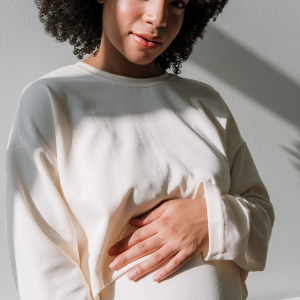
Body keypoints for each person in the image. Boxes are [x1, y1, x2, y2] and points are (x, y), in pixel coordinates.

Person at [5, 0, 275, 299]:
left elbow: (261, 214)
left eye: (176, 3)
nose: (158, 18)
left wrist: (209, 218)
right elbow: (44, 267)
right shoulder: (51, 100)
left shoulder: (205, 102)